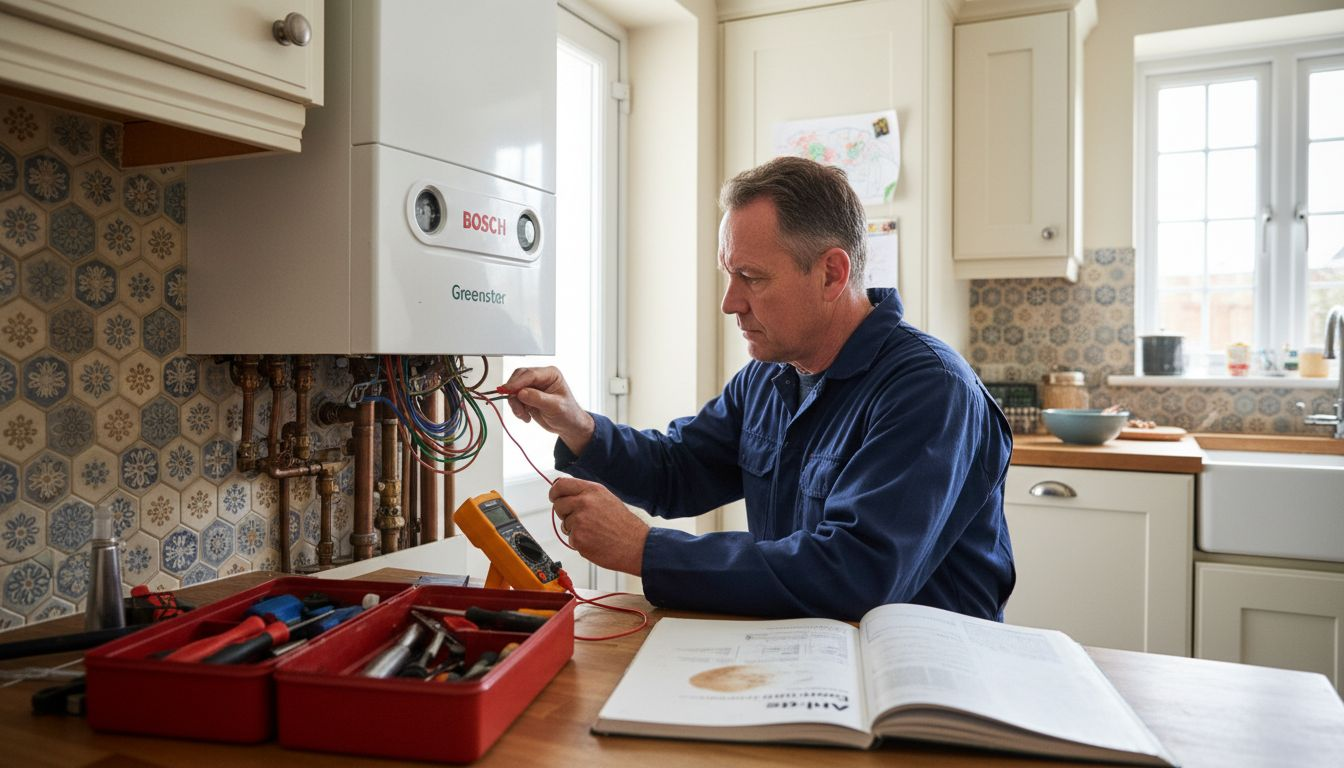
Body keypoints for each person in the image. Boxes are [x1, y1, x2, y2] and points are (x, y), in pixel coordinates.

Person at [503, 156, 1014, 622]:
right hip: (808, 654)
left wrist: (644, 549)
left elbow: (853, 573)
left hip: (923, 679)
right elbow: (679, 469)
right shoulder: (769, 376)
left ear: (832, 274)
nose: (730, 303)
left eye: (751, 277)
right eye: (730, 274)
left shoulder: (931, 389)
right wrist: (579, 426)